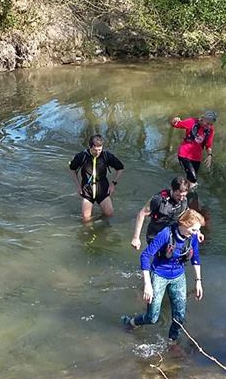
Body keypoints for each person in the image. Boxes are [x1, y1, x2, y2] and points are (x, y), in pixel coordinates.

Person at [122, 209, 206, 343]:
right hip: (159, 275)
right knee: (152, 318)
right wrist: (148, 284)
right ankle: (131, 322)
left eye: (197, 230)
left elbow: (195, 258)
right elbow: (145, 256)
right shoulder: (166, 234)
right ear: (184, 224)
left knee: (179, 316)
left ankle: (172, 343)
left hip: (178, 276)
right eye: (194, 230)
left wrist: (198, 282)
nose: (197, 233)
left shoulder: (193, 237)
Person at [69, 134, 124, 221]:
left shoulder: (106, 156)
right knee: (86, 220)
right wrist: (78, 186)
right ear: (90, 147)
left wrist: (113, 184)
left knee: (109, 215)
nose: (98, 153)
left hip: (102, 189)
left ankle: (104, 232)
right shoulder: (81, 156)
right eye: (95, 150)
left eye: (100, 150)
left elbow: (120, 168)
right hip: (87, 190)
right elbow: (72, 169)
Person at [131, 176, 193, 249]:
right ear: (172, 189)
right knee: (163, 254)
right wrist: (136, 237)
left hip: (172, 232)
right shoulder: (158, 199)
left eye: (183, 195)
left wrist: (197, 231)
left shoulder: (184, 200)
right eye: (178, 195)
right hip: (155, 233)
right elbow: (142, 214)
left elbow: (188, 214)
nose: (181, 198)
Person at [170, 110, 217, 185]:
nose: (208, 126)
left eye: (211, 124)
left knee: (191, 180)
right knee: (193, 178)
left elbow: (208, 145)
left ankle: (181, 192)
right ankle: (178, 190)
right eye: (207, 123)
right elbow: (176, 124)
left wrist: (209, 155)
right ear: (202, 118)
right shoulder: (191, 122)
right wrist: (174, 120)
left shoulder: (210, 130)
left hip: (196, 158)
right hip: (184, 155)